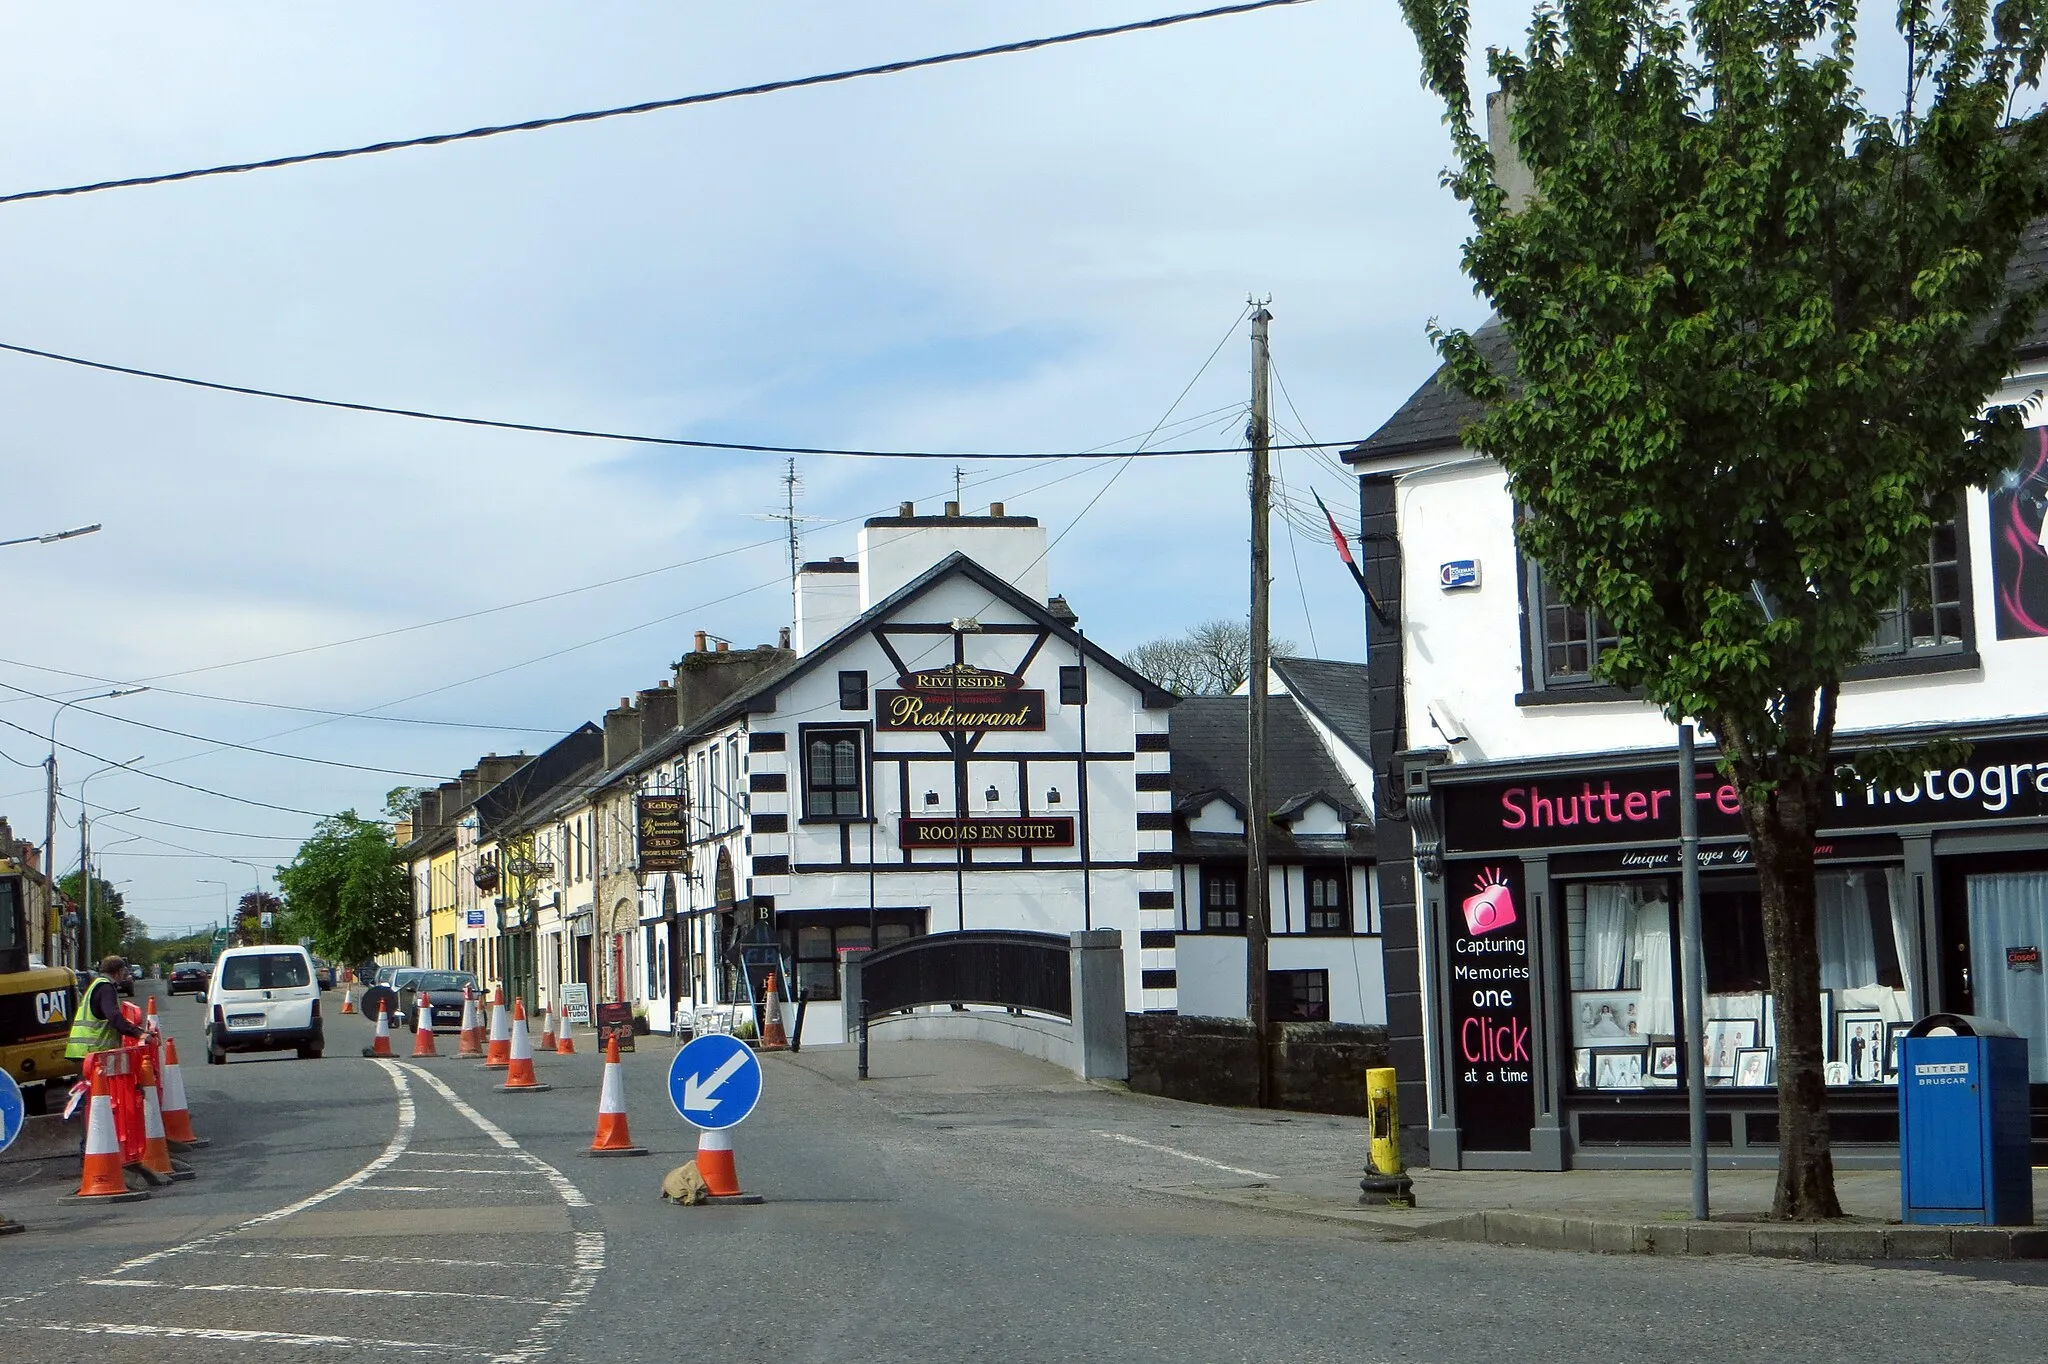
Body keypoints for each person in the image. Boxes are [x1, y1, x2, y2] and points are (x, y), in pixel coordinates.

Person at [65, 955, 148, 1061]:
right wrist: (139, 1033)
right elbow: (114, 1017)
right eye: (123, 972)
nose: (124, 975)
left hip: (83, 1050)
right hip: (92, 1051)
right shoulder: (105, 987)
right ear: (119, 971)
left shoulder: (98, 984)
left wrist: (138, 1030)